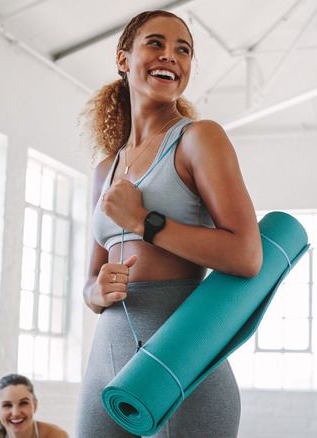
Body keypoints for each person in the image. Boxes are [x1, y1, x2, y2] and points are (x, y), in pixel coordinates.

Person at [75, 9, 263, 438]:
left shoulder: (199, 139)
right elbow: (89, 284)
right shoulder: (105, 169)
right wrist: (96, 289)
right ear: (123, 58)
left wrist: (144, 222)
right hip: (107, 351)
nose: (171, 57)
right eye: (155, 43)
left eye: (184, 50)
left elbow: (247, 255)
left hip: (180, 358)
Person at [0, 373, 68, 438]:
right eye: (7, 405)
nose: (15, 413)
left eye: (23, 403)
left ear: (35, 405)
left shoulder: (57, 436)